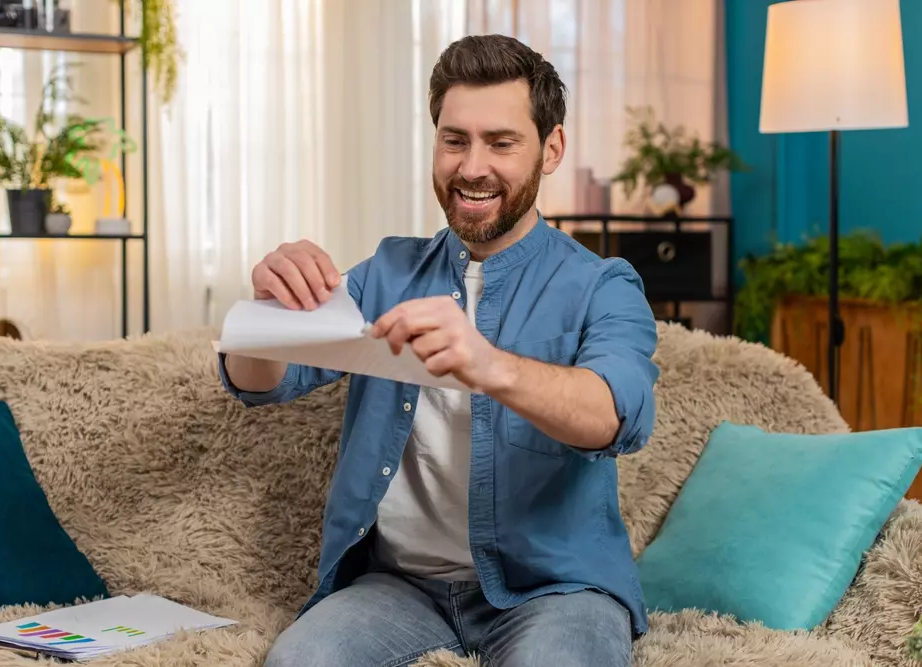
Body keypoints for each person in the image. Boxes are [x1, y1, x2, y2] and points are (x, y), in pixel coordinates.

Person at [219, 33, 659, 667]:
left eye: (502, 143)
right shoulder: (387, 272)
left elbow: (619, 415)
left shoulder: (603, 286)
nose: (472, 167)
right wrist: (266, 309)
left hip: (556, 591)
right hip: (397, 589)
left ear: (551, 148)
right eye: (455, 140)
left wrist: (488, 365)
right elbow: (260, 380)